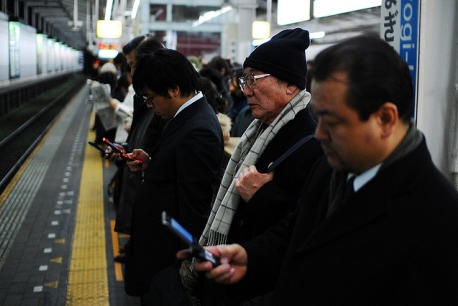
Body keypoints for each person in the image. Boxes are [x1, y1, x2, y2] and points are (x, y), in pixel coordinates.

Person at [184, 33, 458, 304]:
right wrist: (252, 258)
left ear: (385, 119)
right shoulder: (333, 168)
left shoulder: (436, 216)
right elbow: (295, 233)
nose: (320, 134)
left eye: (332, 122)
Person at [183, 28, 323, 305]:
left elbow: (306, 227)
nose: (245, 89)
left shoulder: (311, 144)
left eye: (254, 79)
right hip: (233, 273)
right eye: (244, 78)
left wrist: (262, 196)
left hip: (260, 287)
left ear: (290, 86)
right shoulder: (257, 129)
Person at [124, 48, 224, 305]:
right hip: (161, 258)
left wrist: (185, 267)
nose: (149, 105)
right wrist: (152, 163)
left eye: (151, 98)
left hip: (169, 262)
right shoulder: (186, 117)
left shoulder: (197, 129)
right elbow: (179, 171)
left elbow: (194, 208)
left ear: (174, 89)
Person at [105, 35, 165, 263]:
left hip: (147, 185)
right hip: (137, 177)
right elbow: (140, 137)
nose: (131, 71)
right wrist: (124, 149)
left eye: (133, 64)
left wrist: (147, 160)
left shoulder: (161, 104)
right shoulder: (144, 99)